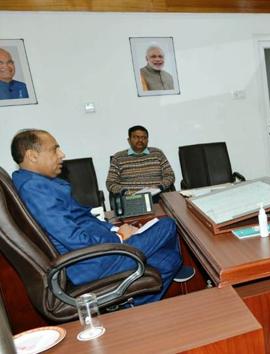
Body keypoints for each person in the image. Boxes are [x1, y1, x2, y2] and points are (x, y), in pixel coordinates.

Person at [10, 129, 194, 306]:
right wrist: (119, 237)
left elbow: (81, 216)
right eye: (54, 149)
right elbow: (74, 239)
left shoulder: (33, 182)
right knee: (168, 224)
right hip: (93, 260)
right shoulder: (35, 189)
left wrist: (114, 229)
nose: (62, 154)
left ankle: (134, 308)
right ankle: (133, 307)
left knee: (170, 260)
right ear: (32, 155)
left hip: (98, 251)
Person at [106, 125, 175, 196]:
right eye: (136, 137)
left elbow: (170, 175)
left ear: (147, 140)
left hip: (157, 195)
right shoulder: (118, 157)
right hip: (132, 198)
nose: (140, 140)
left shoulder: (157, 153)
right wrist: (125, 192)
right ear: (129, 140)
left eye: (144, 138)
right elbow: (110, 182)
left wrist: (159, 187)